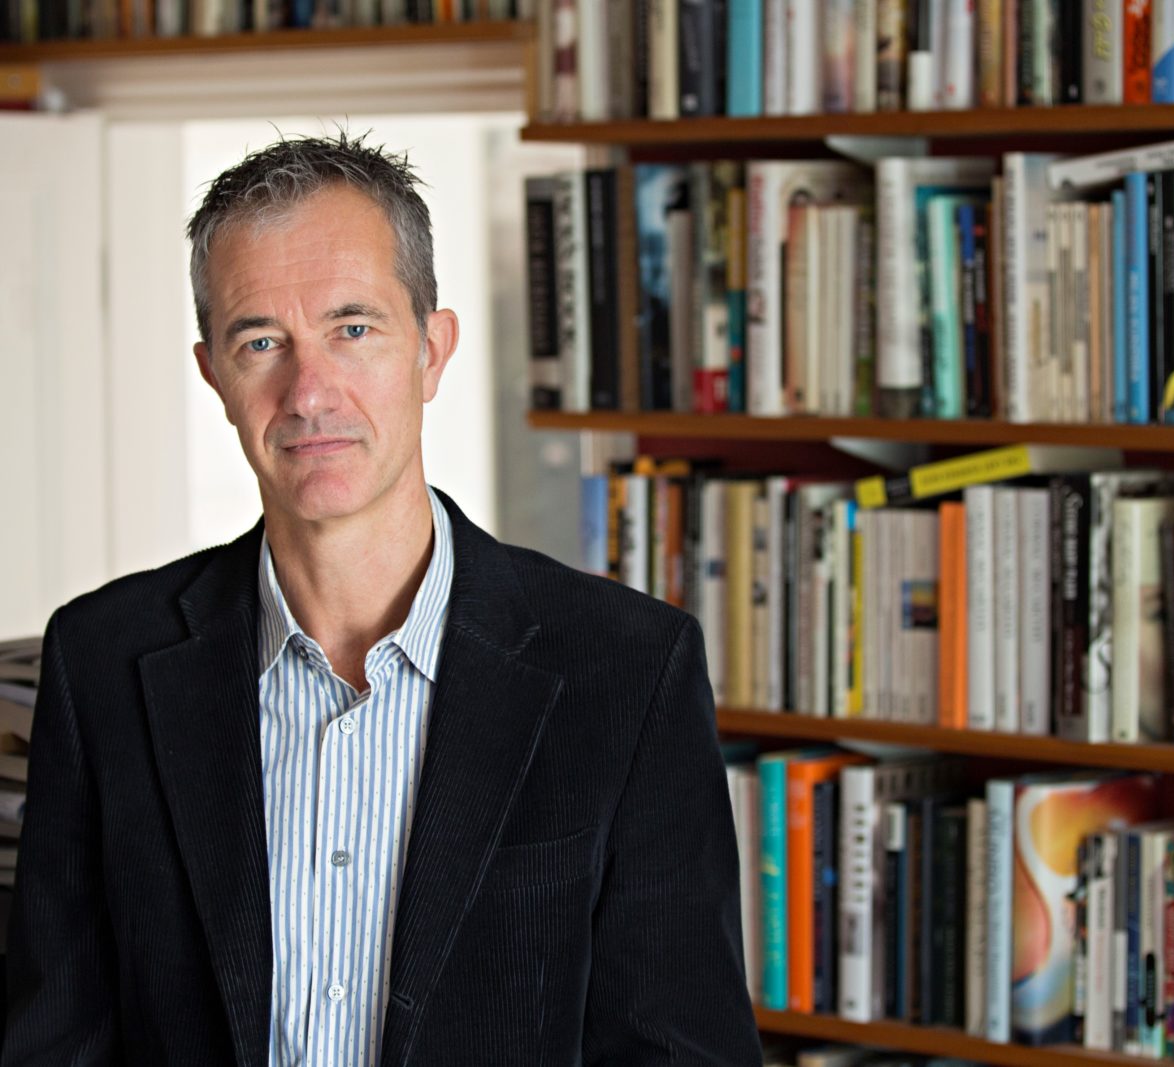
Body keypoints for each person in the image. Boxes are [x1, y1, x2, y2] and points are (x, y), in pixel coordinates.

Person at [3, 132, 761, 1067]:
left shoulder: (630, 671)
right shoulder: (101, 662)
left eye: (353, 328)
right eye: (261, 341)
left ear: (432, 351)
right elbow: (54, 1043)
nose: (308, 392)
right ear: (215, 375)